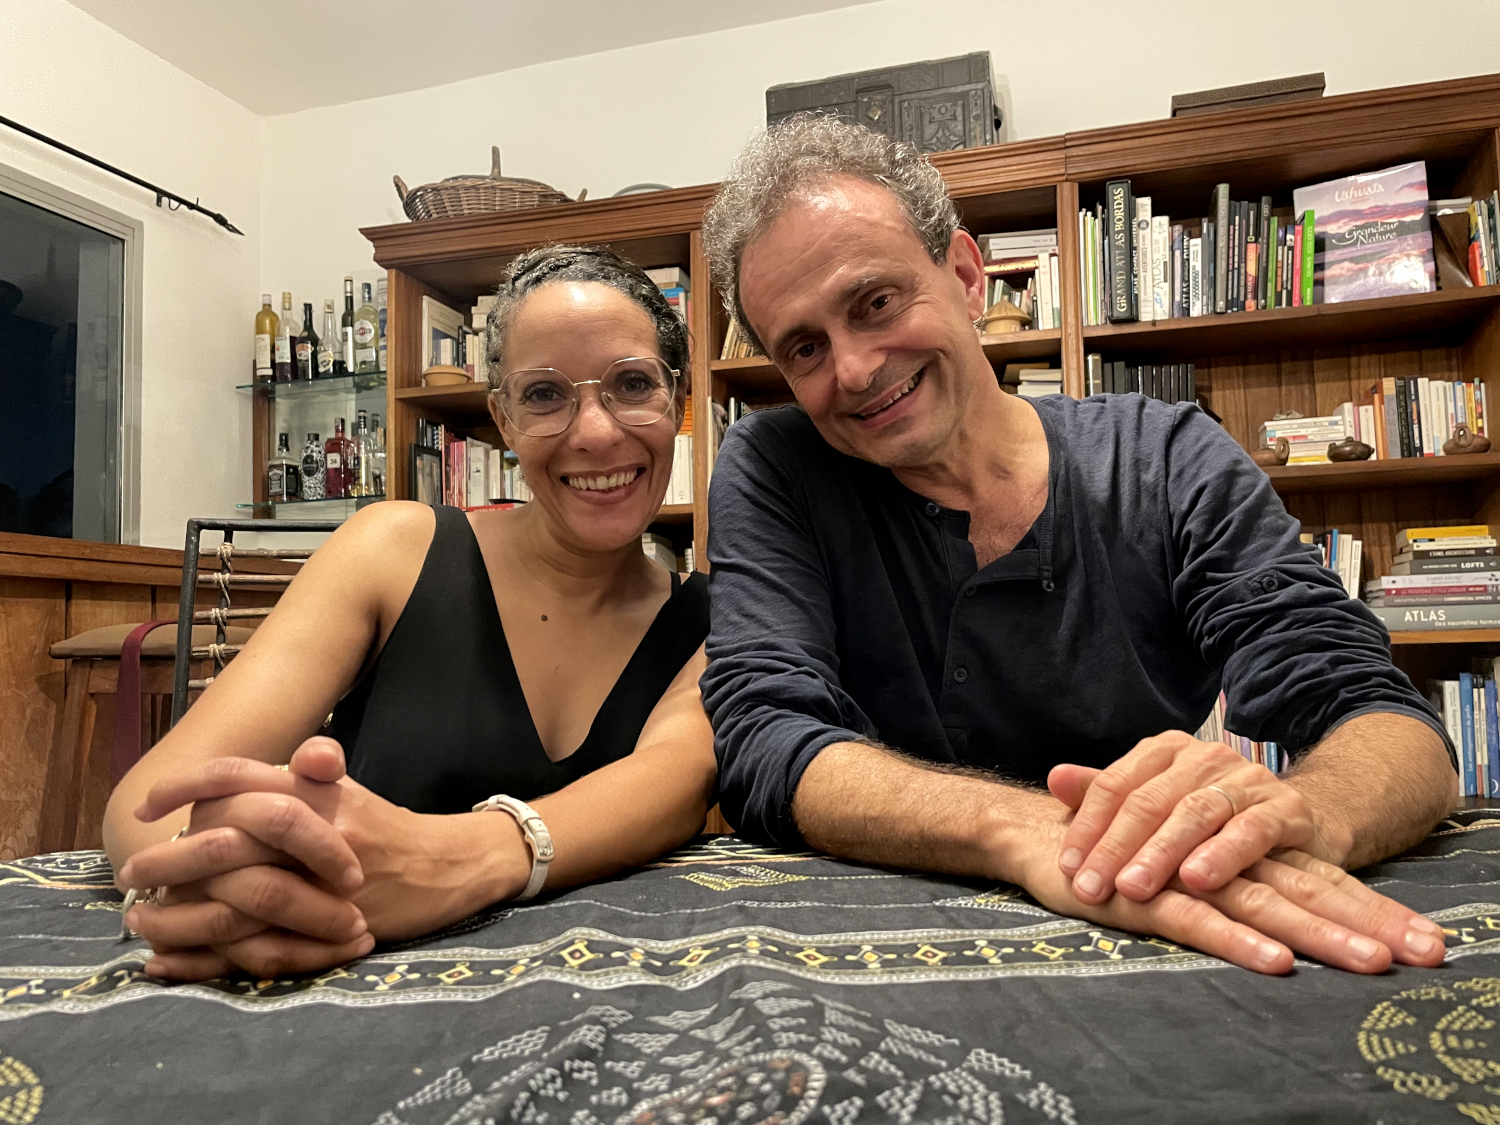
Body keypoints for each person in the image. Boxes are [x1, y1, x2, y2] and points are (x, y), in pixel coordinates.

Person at [698, 114, 1458, 976]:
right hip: (884, 947)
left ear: (964, 273)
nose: (856, 368)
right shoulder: (774, 465)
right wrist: (1027, 831)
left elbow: (1379, 712)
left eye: (875, 302)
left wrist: (1297, 819)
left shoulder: (1167, 457)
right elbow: (764, 737)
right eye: (805, 348)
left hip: (1153, 914)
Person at [103, 246, 715, 982]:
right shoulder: (391, 551)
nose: (595, 431)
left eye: (631, 384)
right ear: (503, 421)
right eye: (546, 394)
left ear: (677, 404)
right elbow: (149, 806)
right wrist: (230, 882)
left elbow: (673, 784)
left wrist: (455, 860)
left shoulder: (711, 622)